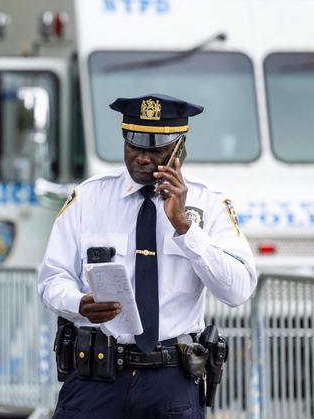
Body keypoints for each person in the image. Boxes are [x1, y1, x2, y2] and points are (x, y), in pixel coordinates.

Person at [38, 93, 257, 418]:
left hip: (171, 381)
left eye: (155, 149)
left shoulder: (208, 204)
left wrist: (184, 227)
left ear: (179, 148)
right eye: (134, 145)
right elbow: (52, 279)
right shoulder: (89, 198)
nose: (142, 158)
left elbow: (238, 290)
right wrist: (78, 303)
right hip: (96, 375)